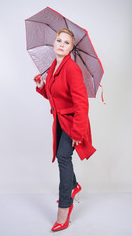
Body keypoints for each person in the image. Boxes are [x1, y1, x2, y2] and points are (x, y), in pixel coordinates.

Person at [34, 28, 96, 231]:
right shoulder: (54, 65)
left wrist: (78, 133)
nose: (61, 44)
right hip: (60, 120)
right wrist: (43, 85)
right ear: (54, 43)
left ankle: (64, 208)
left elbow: (81, 104)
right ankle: (74, 185)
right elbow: (55, 96)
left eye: (66, 42)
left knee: (63, 157)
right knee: (63, 157)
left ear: (71, 48)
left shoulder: (72, 69)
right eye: (58, 40)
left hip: (72, 122)